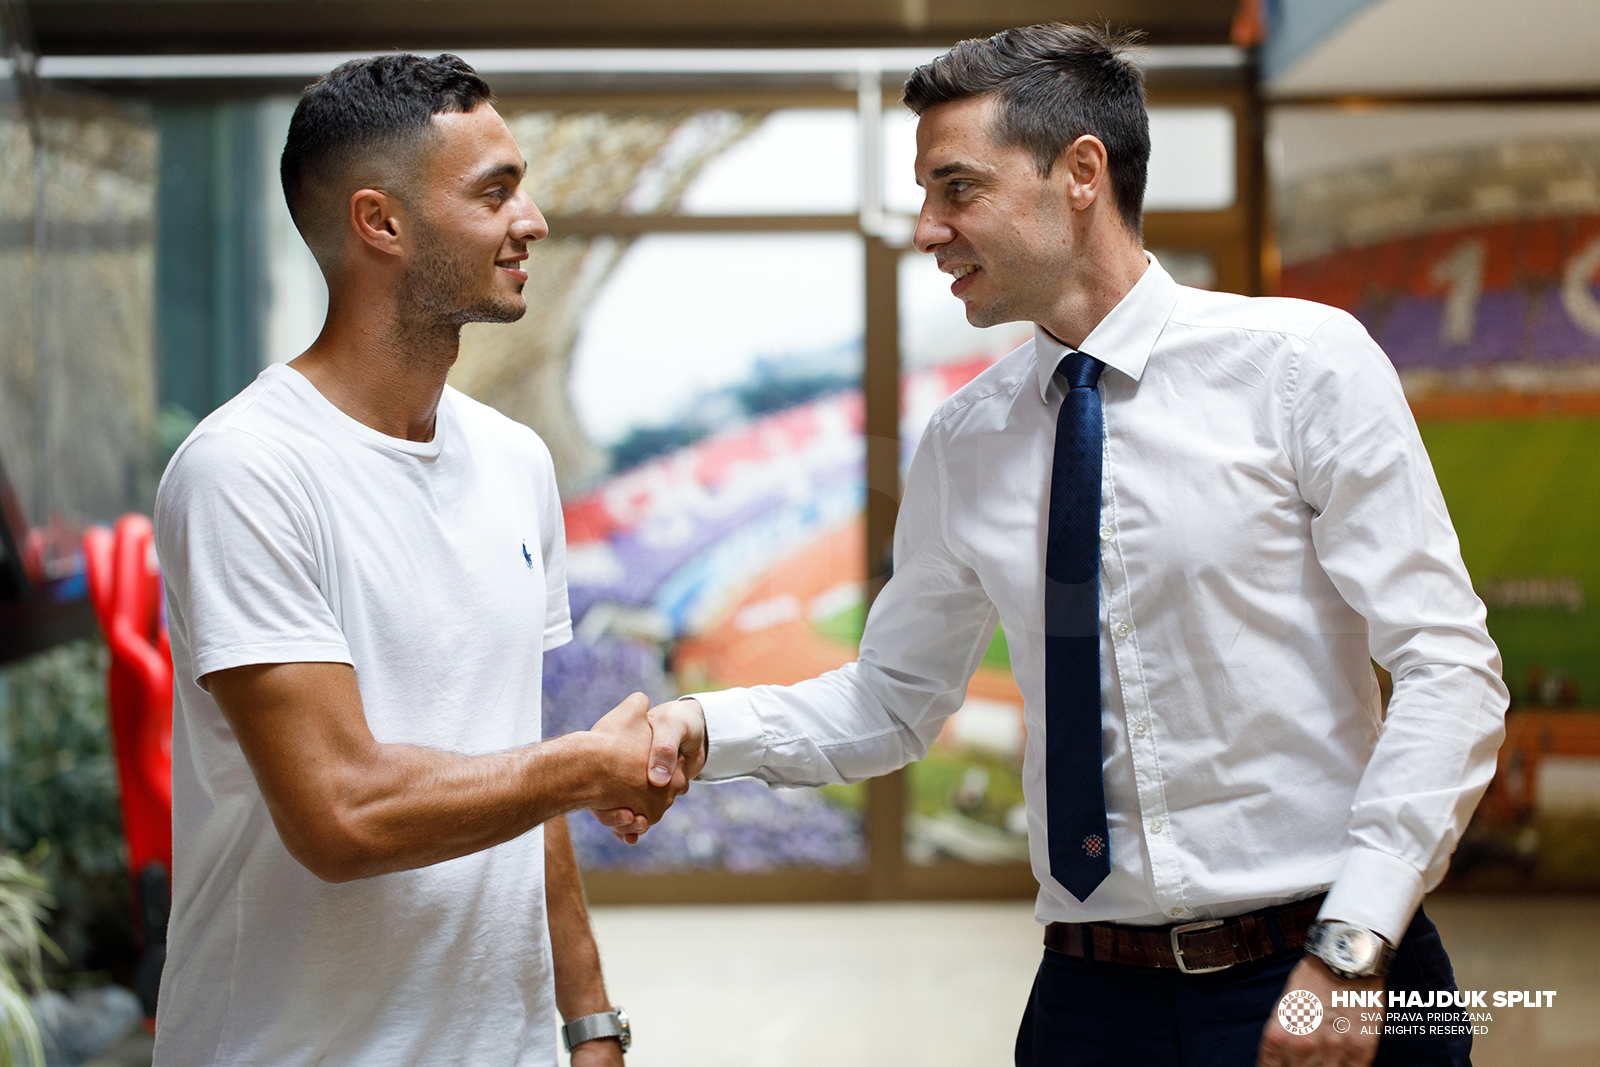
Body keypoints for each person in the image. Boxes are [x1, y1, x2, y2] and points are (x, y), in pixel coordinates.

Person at [614, 24, 1507, 1067]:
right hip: (1087, 1000)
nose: (928, 230)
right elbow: (891, 701)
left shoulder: (1302, 365)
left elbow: (1450, 667)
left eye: (957, 189)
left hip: (1322, 961)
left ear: (1081, 173)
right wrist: (698, 727)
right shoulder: (961, 440)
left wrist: (1355, 941)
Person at [154, 54, 681, 1066]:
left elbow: (514, 761)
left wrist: (590, 1027)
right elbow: (340, 812)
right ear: (380, 223)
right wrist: (582, 764)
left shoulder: (517, 462)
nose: (531, 220)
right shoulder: (244, 469)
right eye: (495, 192)